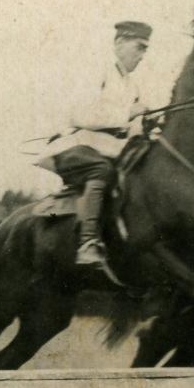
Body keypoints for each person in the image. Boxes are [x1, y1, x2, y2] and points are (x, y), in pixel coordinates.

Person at [36, 20, 152, 272]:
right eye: (139, 47)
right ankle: (87, 243)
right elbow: (80, 115)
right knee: (101, 170)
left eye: (146, 50)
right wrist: (128, 113)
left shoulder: (132, 86)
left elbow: (129, 129)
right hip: (73, 148)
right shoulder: (96, 70)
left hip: (105, 150)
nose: (142, 55)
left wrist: (146, 127)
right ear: (119, 43)